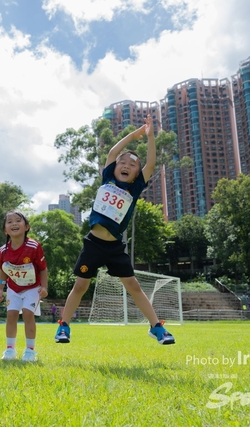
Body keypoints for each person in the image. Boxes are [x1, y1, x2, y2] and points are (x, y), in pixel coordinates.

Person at [55, 115, 175, 345]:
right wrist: (133, 135)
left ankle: (156, 327)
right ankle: (64, 326)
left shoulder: (135, 188)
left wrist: (150, 137)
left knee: (133, 286)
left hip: (115, 247)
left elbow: (151, 164)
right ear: (115, 167)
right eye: (123, 163)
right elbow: (112, 152)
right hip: (93, 243)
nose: (127, 166)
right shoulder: (108, 177)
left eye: (132, 165)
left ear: (137, 173)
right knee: (80, 285)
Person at [0, 210, 48, 362]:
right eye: (9, 222)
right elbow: (3, 270)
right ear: (5, 230)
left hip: (32, 288)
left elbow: (43, 268)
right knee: (11, 315)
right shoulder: (2, 251)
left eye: (18, 220)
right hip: (13, 288)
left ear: (26, 226)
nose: (14, 223)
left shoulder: (34, 247)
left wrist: (44, 287)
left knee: (27, 313)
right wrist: (0, 288)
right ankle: (10, 350)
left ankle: (30, 351)